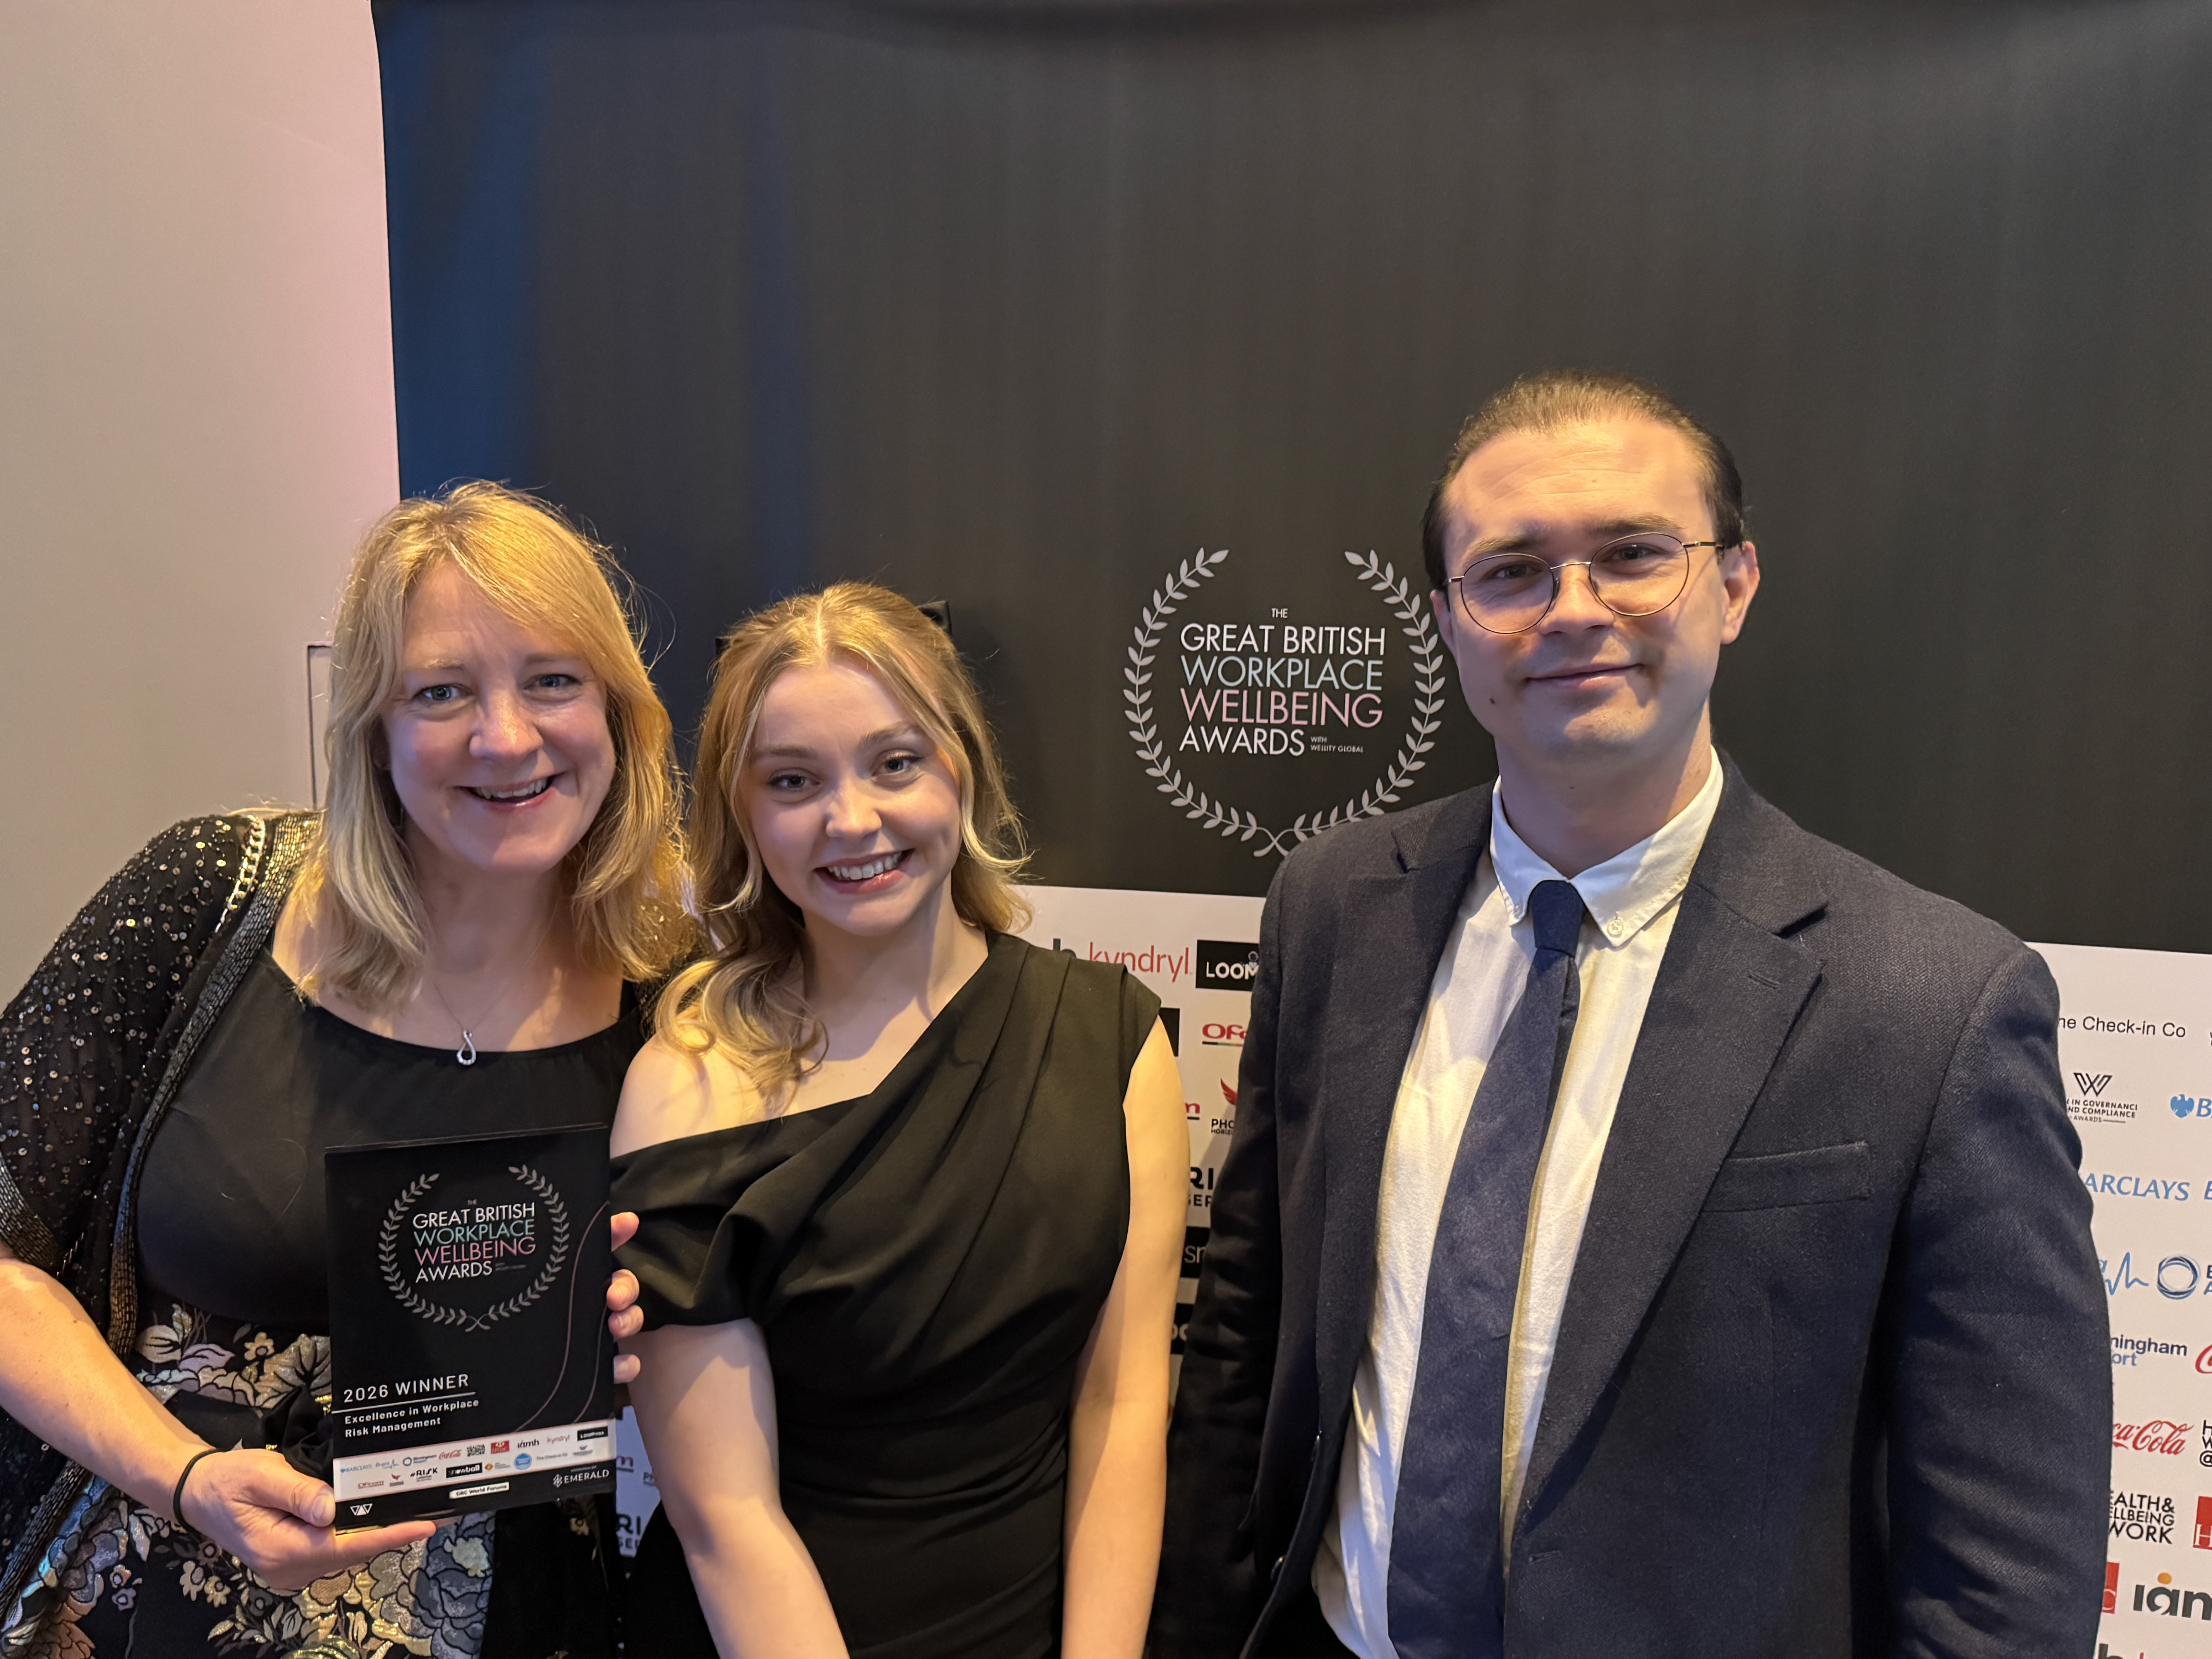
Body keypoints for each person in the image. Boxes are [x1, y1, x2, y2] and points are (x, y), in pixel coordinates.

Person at [1152, 371, 2109, 1658]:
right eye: (1511, 572)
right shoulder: (1333, 909)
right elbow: (1246, 1331)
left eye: (1632, 556)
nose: (1574, 611)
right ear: (1445, 617)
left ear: (1735, 584)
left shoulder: (1933, 1002)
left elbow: (2009, 1556)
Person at [0, 483, 691, 1659]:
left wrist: (640, 1338)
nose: (507, 736)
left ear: (620, 711)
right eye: (442, 691)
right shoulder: (214, 896)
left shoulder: (672, 990)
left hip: (532, 1621)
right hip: (167, 1601)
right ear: (371, 723)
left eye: (553, 680)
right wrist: (187, 1474)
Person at [611, 582, 1187, 1659]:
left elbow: (1121, 1407)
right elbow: (727, 1518)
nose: (854, 818)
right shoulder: (686, 1083)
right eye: (794, 780)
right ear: (742, 813)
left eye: (894, 762)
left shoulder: (1113, 1041)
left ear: (961, 766)